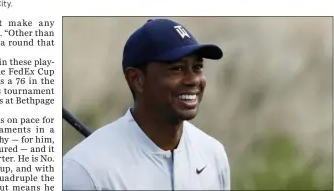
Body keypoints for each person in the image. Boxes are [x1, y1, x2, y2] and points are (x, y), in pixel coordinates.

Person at [63, 18, 229, 190]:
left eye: (197, 67)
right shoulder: (85, 170)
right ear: (137, 79)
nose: (193, 79)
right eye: (177, 68)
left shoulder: (213, 154)